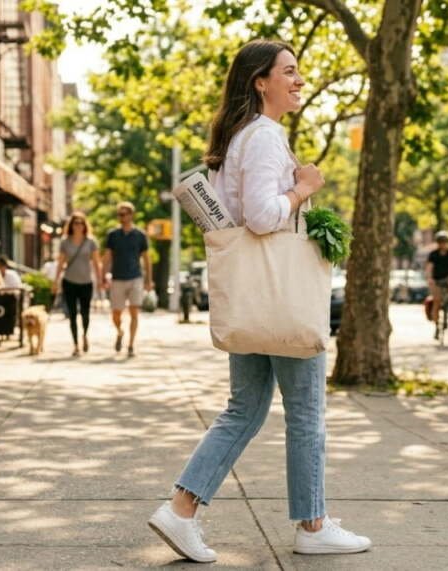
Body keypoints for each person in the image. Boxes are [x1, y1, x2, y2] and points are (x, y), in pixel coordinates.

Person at [147, 40, 371, 563]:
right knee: (306, 413)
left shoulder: (237, 139)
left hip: (252, 299)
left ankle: (181, 511)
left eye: (298, 72)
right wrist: (305, 188)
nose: (298, 80)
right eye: (288, 72)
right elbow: (263, 217)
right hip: (282, 298)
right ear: (260, 81)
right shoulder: (267, 136)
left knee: (244, 409)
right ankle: (313, 525)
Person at [102, 202, 152, 357]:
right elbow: (107, 257)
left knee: (134, 312)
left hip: (135, 277)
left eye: (124, 214)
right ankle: (120, 332)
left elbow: (146, 259)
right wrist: (103, 276)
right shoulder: (113, 235)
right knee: (116, 313)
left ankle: (131, 344)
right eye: (120, 215)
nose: (122, 218)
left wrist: (149, 280)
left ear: (131, 215)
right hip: (117, 278)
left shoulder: (140, 235)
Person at [52, 212, 104, 356]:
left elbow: (96, 263)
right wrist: (55, 281)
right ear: (71, 225)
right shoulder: (65, 242)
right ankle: (76, 344)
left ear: (85, 225)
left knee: (85, 314)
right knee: (72, 314)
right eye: (76, 222)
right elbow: (60, 262)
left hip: (86, 282)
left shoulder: (91, 242)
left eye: (81, 222)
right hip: (69, 282)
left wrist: (100, 280)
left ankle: (85, 335)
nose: (78, 225)